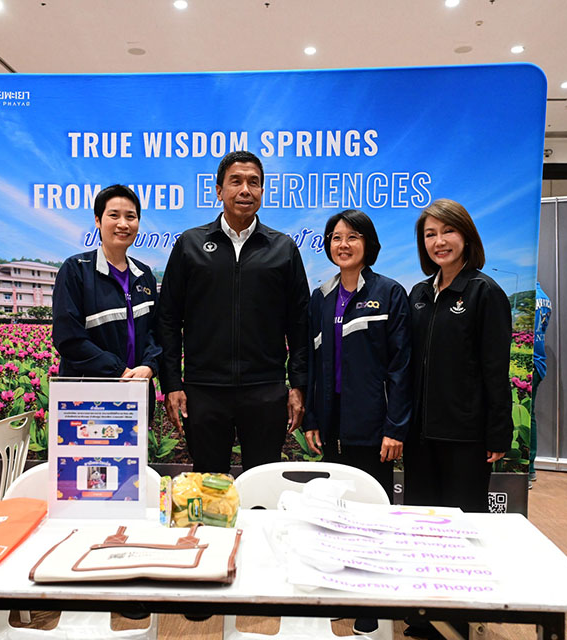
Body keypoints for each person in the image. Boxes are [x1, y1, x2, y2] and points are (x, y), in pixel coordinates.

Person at [158, 150, 310, 473]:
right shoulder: (190, 245)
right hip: (204, 390)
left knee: (263, 482)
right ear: (219, 190)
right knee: (209, 483)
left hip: (265, 389)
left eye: (253, 182)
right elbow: (168, 319)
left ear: (262, 191)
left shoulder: (283, 248)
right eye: (236, 181)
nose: (245, 190)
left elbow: (300, 323)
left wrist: (298, 385)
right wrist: (172, 383)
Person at [404, 199, 511, 640]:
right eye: (430, 234)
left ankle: (461, 620)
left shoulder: (484, 292)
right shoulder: (418, 294)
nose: (439, 242)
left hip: (465, 435)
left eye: (447, 231)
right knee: (422, 526)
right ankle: (423, 615)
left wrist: (498, 431)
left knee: (461, 530)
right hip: (420, 435)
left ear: (466, 236)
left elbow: (494, 368)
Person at [303, 209, 411, 502]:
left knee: (372, 507)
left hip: (374, 425)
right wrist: (311, 419)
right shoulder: (321, 297)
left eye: (353, 237)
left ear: (368, 243)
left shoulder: (389, 293)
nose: (343, 245)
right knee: (333, 507)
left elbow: (401, 367)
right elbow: (313, 363)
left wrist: (395, 429)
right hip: (331, 422)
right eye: (336, 238)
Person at [52, 184, 161, 386]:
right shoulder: (76, 269)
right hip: (89, 393)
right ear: (97, 220)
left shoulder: (144, 274)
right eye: (114, 215)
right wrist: (119, 370)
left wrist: (149, 365)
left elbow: (155, 331)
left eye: (130, 217)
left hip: (138, 388)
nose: (123, 224)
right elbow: (68, 338)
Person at [530, 281, 552, 485]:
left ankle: (527, 469)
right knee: (530, 415)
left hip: (529, 363)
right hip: (538, 362)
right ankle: (530, 468)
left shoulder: (529, 296)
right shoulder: (545, 298)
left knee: (525, 416)